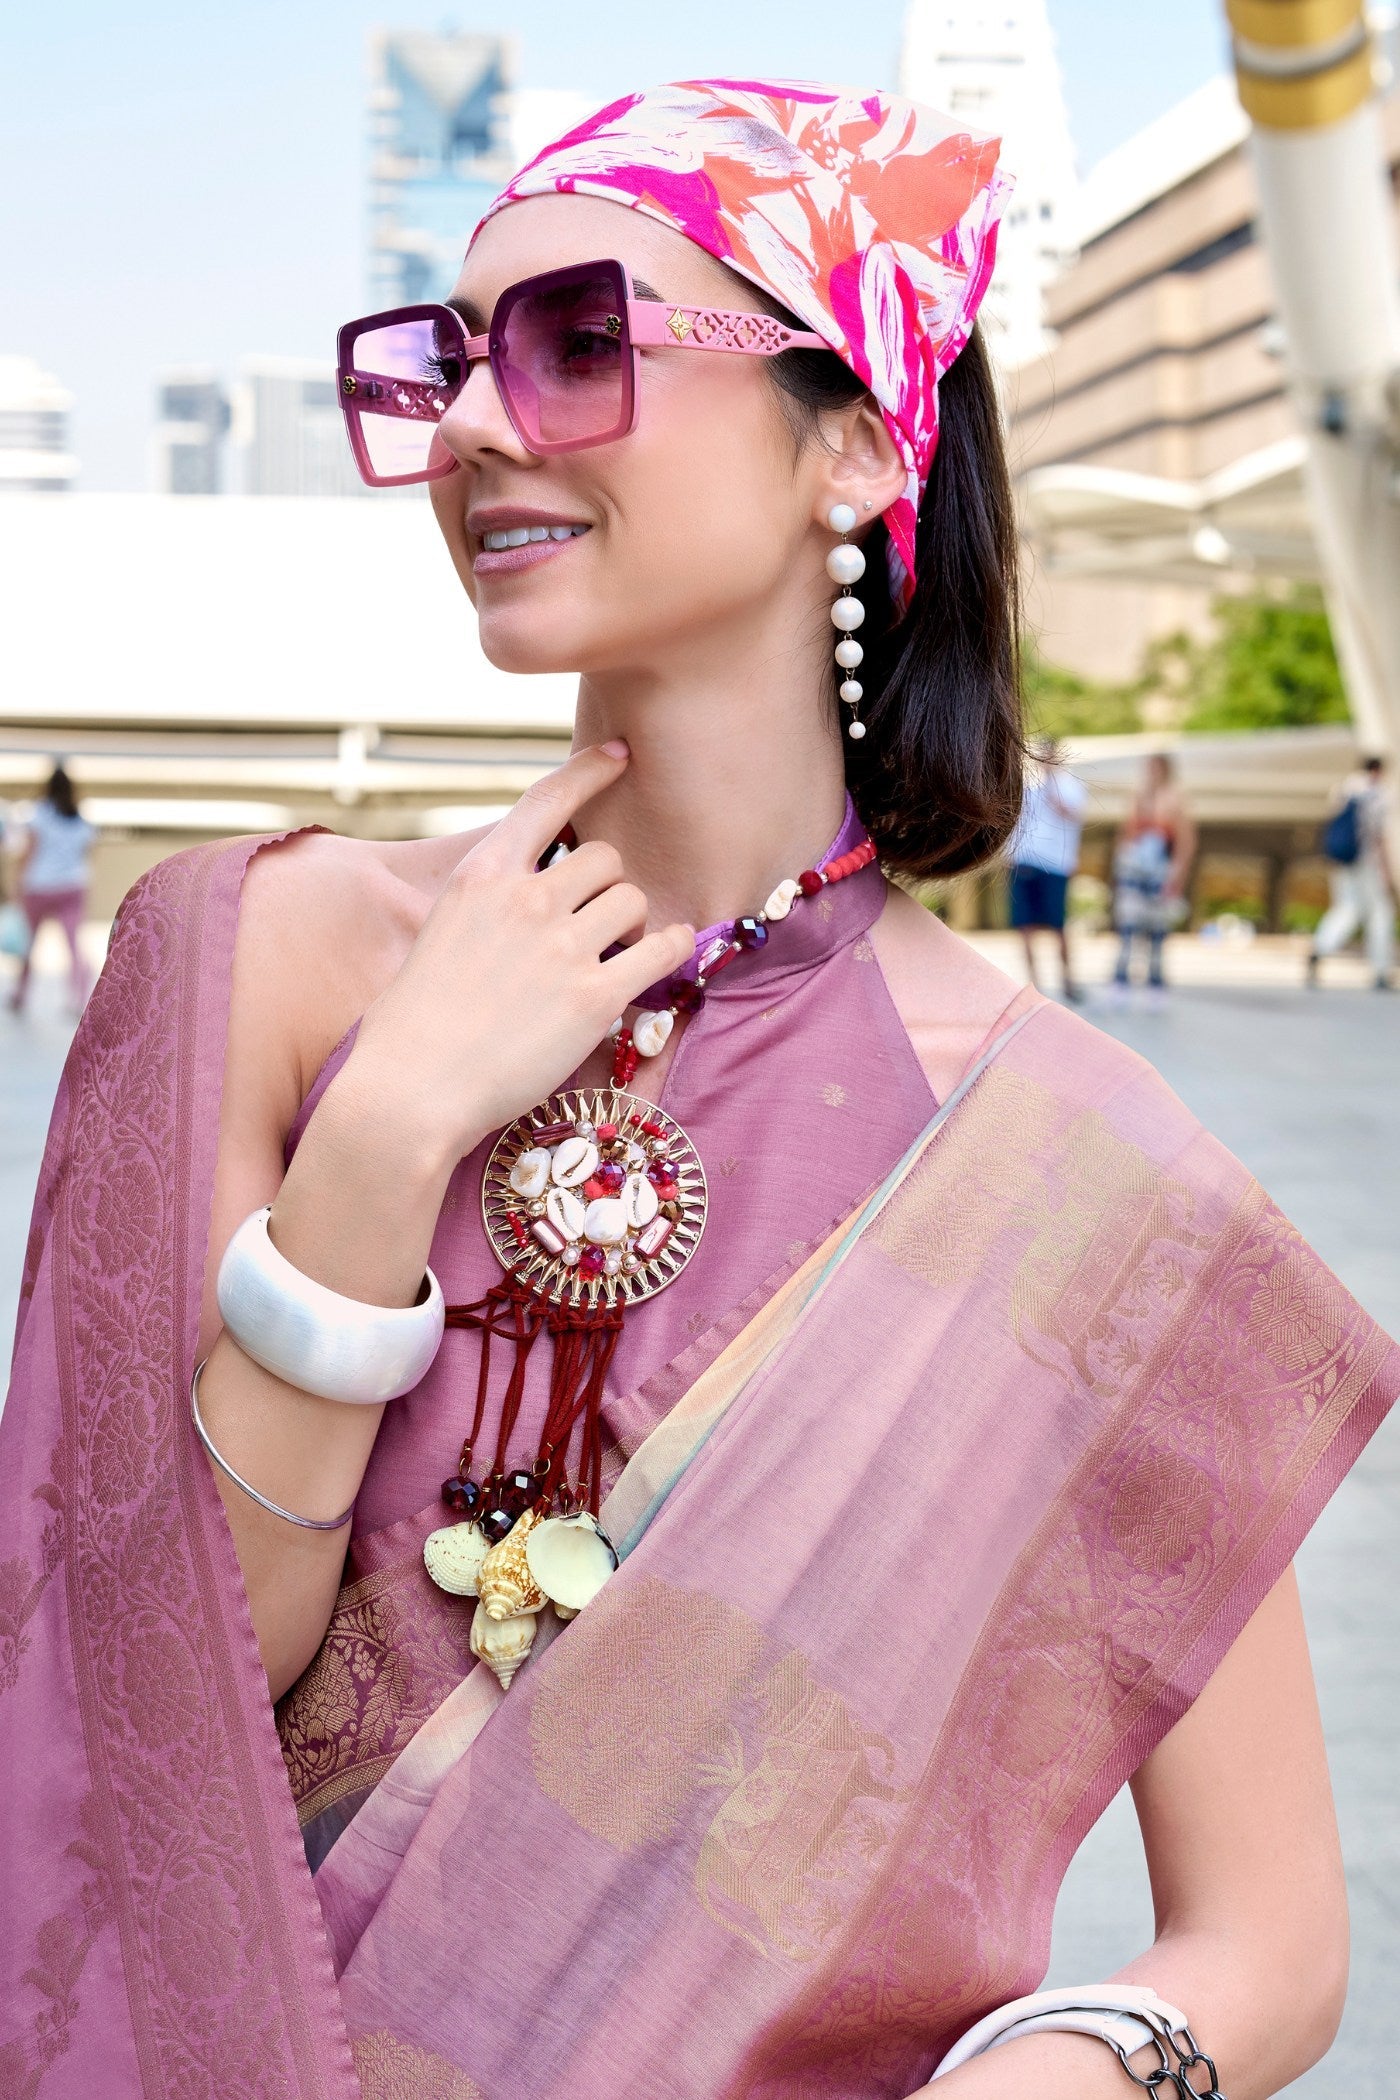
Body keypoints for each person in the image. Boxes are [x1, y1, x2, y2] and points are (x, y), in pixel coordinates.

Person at [3, 82, 1394, 2100]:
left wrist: (1069, 2073)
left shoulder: (1077, 1167)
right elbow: (133, 1723)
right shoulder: (258, 958)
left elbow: (1265, 1940)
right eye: (448, 361)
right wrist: (385, 1142)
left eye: (581, 344)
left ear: (851, 445)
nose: (478, 425)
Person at [6, 761, 96, 1016]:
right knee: (73, 943)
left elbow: (28, 852)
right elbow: (86, 852)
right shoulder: (80, 818)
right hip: (72, 885)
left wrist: (16, 882)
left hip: (39, 885)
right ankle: (79, 995)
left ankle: (20, 994)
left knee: (28, 941)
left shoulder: (39, 814)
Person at [1110, 752, 1197, 1005]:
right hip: (1134, 868)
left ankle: (1155, 983)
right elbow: (1126, 833)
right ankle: (1120, 980)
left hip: (1160, 869)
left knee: (1157, 929)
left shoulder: (1175, 798)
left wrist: (1178, 875)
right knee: (1128, 924)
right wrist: (1120, 867)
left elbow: (1185, 840)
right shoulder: (1138, 796)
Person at [1007, 733, 1087, 1001]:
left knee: (1057, 925)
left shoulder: (1069, 784)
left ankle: (1068, 979)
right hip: (1025, 861)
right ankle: (1034, 985)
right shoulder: (1027, 786)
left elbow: (1070, 813)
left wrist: (1051, 777)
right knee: (1024, 926)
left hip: (1055, 865)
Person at [1307, 754, 1395, 989]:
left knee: (1346, 908)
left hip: (1343, 861)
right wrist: (1386, 872)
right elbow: (1378, 837)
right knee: (1381, 914)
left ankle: (1320, 948)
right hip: (1367, 863)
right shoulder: (1378, 793)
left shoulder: (1344, 789)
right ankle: (1380, 970)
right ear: (1379, 770)